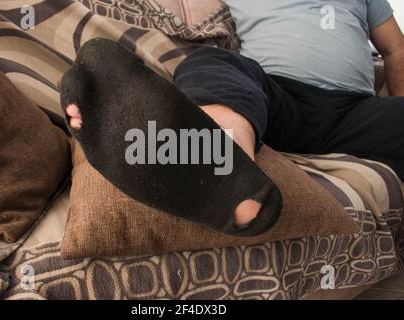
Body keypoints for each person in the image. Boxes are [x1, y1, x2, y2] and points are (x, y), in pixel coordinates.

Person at [64, 0, 404, 227]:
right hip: (274, 96)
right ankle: (220, 158)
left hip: (355, 112)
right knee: (209, 61)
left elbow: (395, 48)